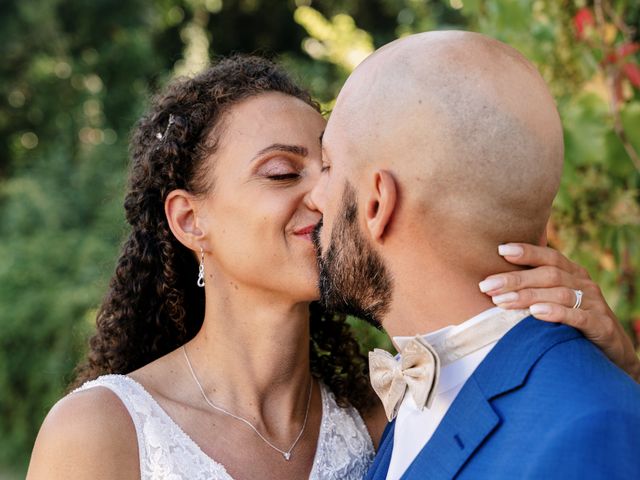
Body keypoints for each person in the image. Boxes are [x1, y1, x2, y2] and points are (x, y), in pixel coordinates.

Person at [26, 55, 637, 480]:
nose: (322, 198)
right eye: (283, 173)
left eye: (328, 168)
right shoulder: (100, 432)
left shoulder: (385, 419)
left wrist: (621, 365)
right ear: (190, 221)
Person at [309, 31, 640, 480]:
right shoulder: (412, 400)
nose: (314, 196)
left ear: (376, 203)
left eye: (328, 166)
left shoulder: (587, 431)